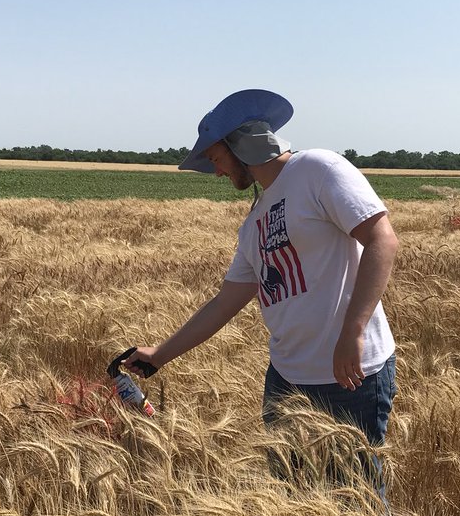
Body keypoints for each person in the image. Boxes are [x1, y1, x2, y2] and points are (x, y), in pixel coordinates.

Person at [126, 89, 399, 468]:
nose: (217, 171)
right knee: (292, 503)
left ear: (242, 144)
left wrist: (352, 330)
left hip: (349, 377)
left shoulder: (318, 169)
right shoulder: (254, 222)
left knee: (357, 503)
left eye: (216, 158)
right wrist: (160, 355)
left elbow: (381, 240)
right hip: (285, 379)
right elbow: (225, 302)